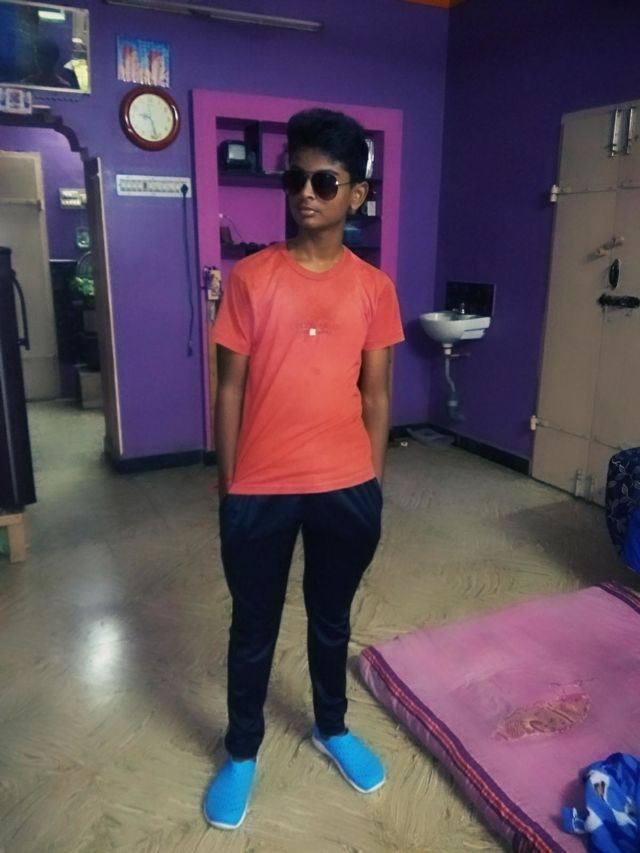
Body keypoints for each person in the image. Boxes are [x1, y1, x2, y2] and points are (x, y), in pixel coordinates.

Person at [203, 108, 404, 830]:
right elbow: (229, 390)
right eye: (296, 179)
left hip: (346, 488)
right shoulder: (251, 278)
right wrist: (229, 488)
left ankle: (332, 725)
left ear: (357, 194)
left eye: (325, 181)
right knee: (253, 623)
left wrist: (371, 483)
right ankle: (242, 751)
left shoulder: (374, 287)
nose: (306, 193)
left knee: (331, 617)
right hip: (259, 489)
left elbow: (377, 395)